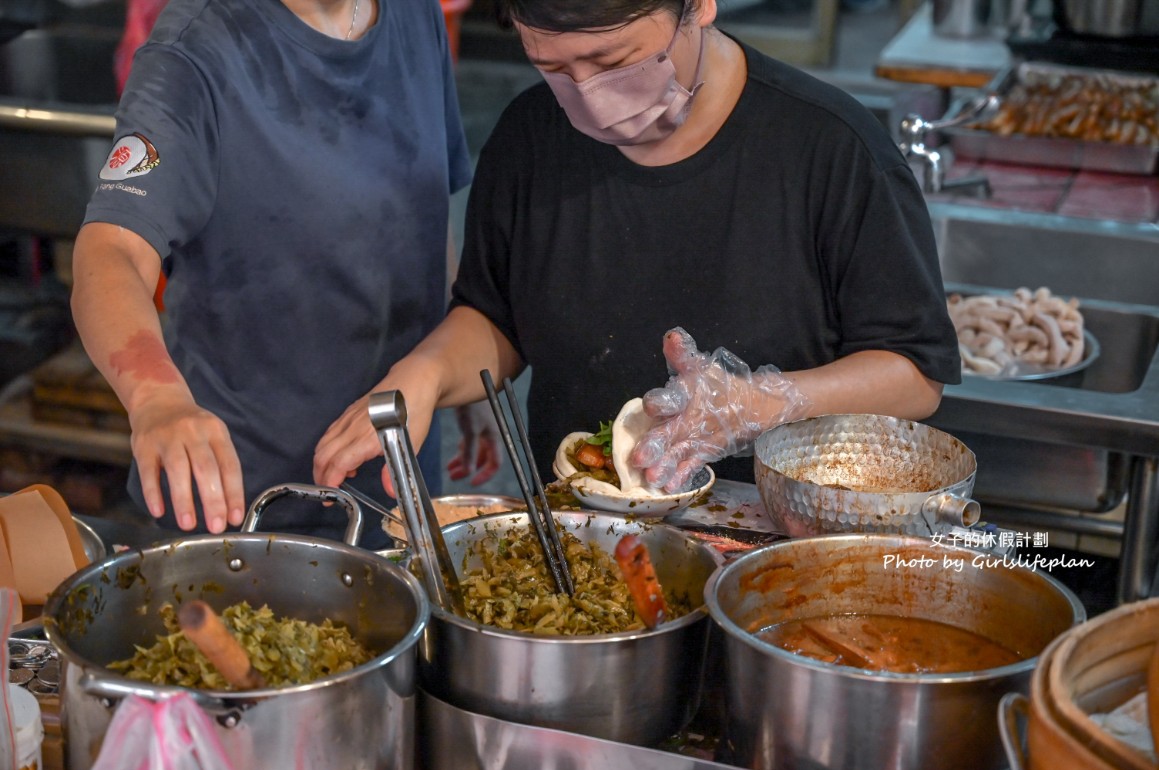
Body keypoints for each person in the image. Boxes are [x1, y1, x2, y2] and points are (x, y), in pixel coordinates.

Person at [312, 0, 960, 496]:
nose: (590, 97)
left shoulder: (831, 150)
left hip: (775, 547)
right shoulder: (528, 139)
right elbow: (495, 316)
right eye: (556, 68)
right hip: (586, 543)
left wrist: (762, 403)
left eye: (616, 62)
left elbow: (913, 372)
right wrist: (420, 376)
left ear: (698, 5)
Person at [70, 0, 472, 548]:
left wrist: (454, 360)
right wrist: (156, 398)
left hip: (398, 478)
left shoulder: (414, 11)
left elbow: (423, 208)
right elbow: (111, 248)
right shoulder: (195, 49)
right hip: (245, 503)